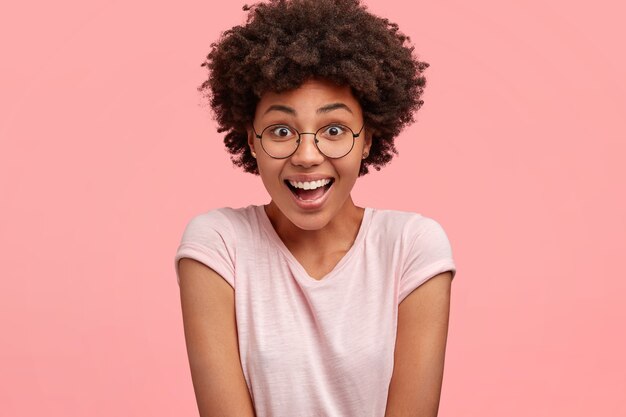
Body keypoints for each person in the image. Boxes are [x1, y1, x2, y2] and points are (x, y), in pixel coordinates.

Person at [174, 0, 457, 416]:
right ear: (251, 140)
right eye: (282, 130)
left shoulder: (411, 248)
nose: (307, 155)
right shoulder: (218, 246)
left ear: (368, 139)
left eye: (334, 129)